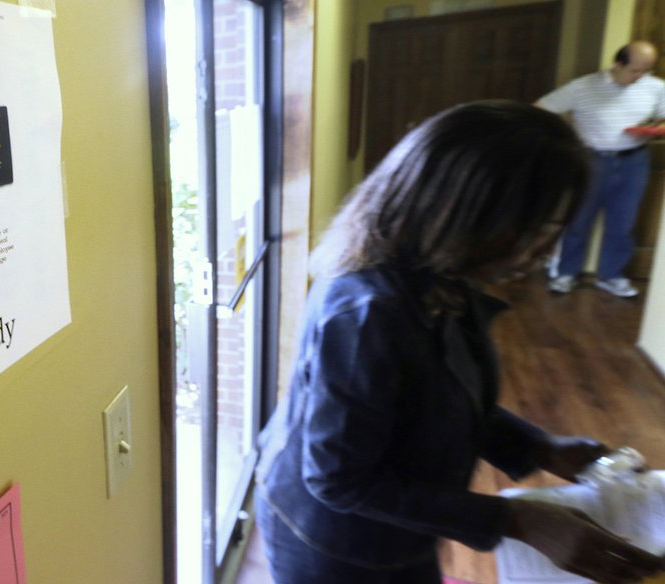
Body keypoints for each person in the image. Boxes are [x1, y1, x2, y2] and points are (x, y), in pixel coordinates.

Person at [254, 101, 665, 584]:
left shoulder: (445, 279)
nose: (545, 253)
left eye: (555, 232)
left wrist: (542, 448)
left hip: (395, 531)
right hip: (333, 544)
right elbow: (339, 479)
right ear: (461, 210)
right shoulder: (370, 314)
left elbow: (433, 400)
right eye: (537, 233)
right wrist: (518, 520)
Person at [539, 41, 665, 298]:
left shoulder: (656, 88)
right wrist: (566, 135)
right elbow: (541, 108)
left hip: (634, 161)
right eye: (635, 70)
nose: (641, 76)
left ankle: (612, 276)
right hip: (590, 159)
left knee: (623, 222)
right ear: (618, 64)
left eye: (647, 70)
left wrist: (654, 128)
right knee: (579, 219)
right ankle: (566, 274)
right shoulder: (583, 86)